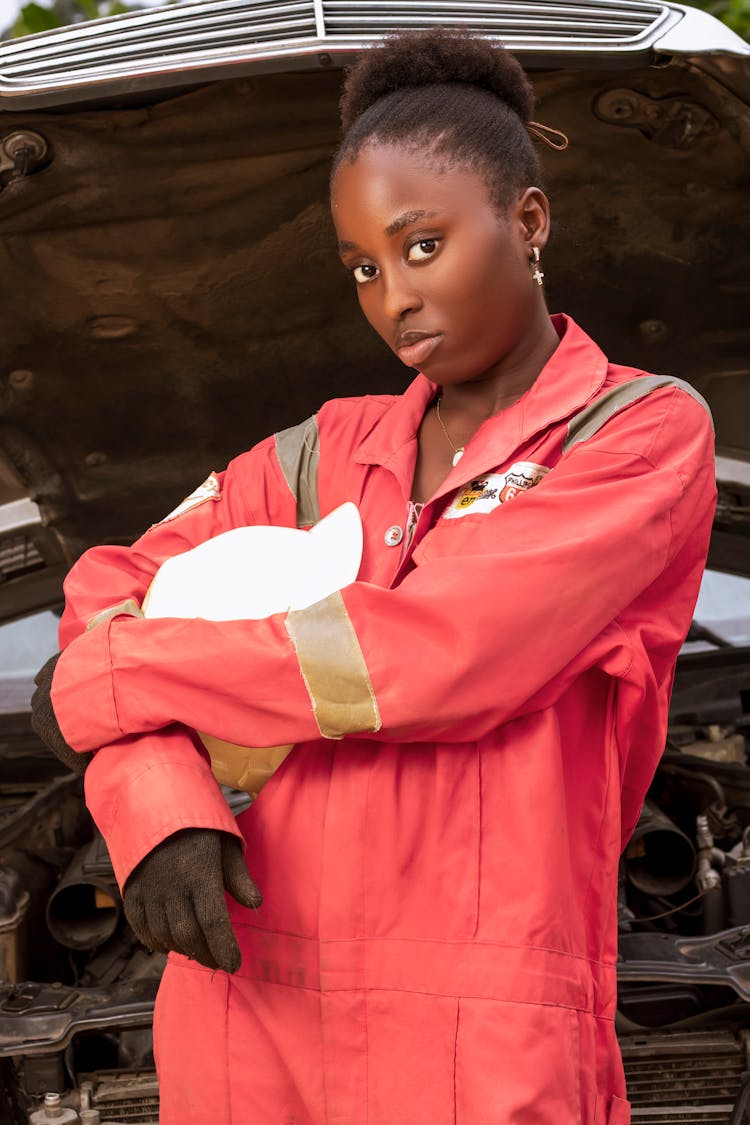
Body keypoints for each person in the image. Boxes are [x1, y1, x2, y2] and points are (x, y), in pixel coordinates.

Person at [31, 27, 716, 1125]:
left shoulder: (635, 433)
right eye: (362, 267)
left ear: (529, 221)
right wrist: (152, 800)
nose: (393, 297)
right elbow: (111, 591)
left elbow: (441, 656)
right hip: (243, 993)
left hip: (476, 1024)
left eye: (422, 245)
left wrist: (111, 687)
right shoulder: (317, 453)